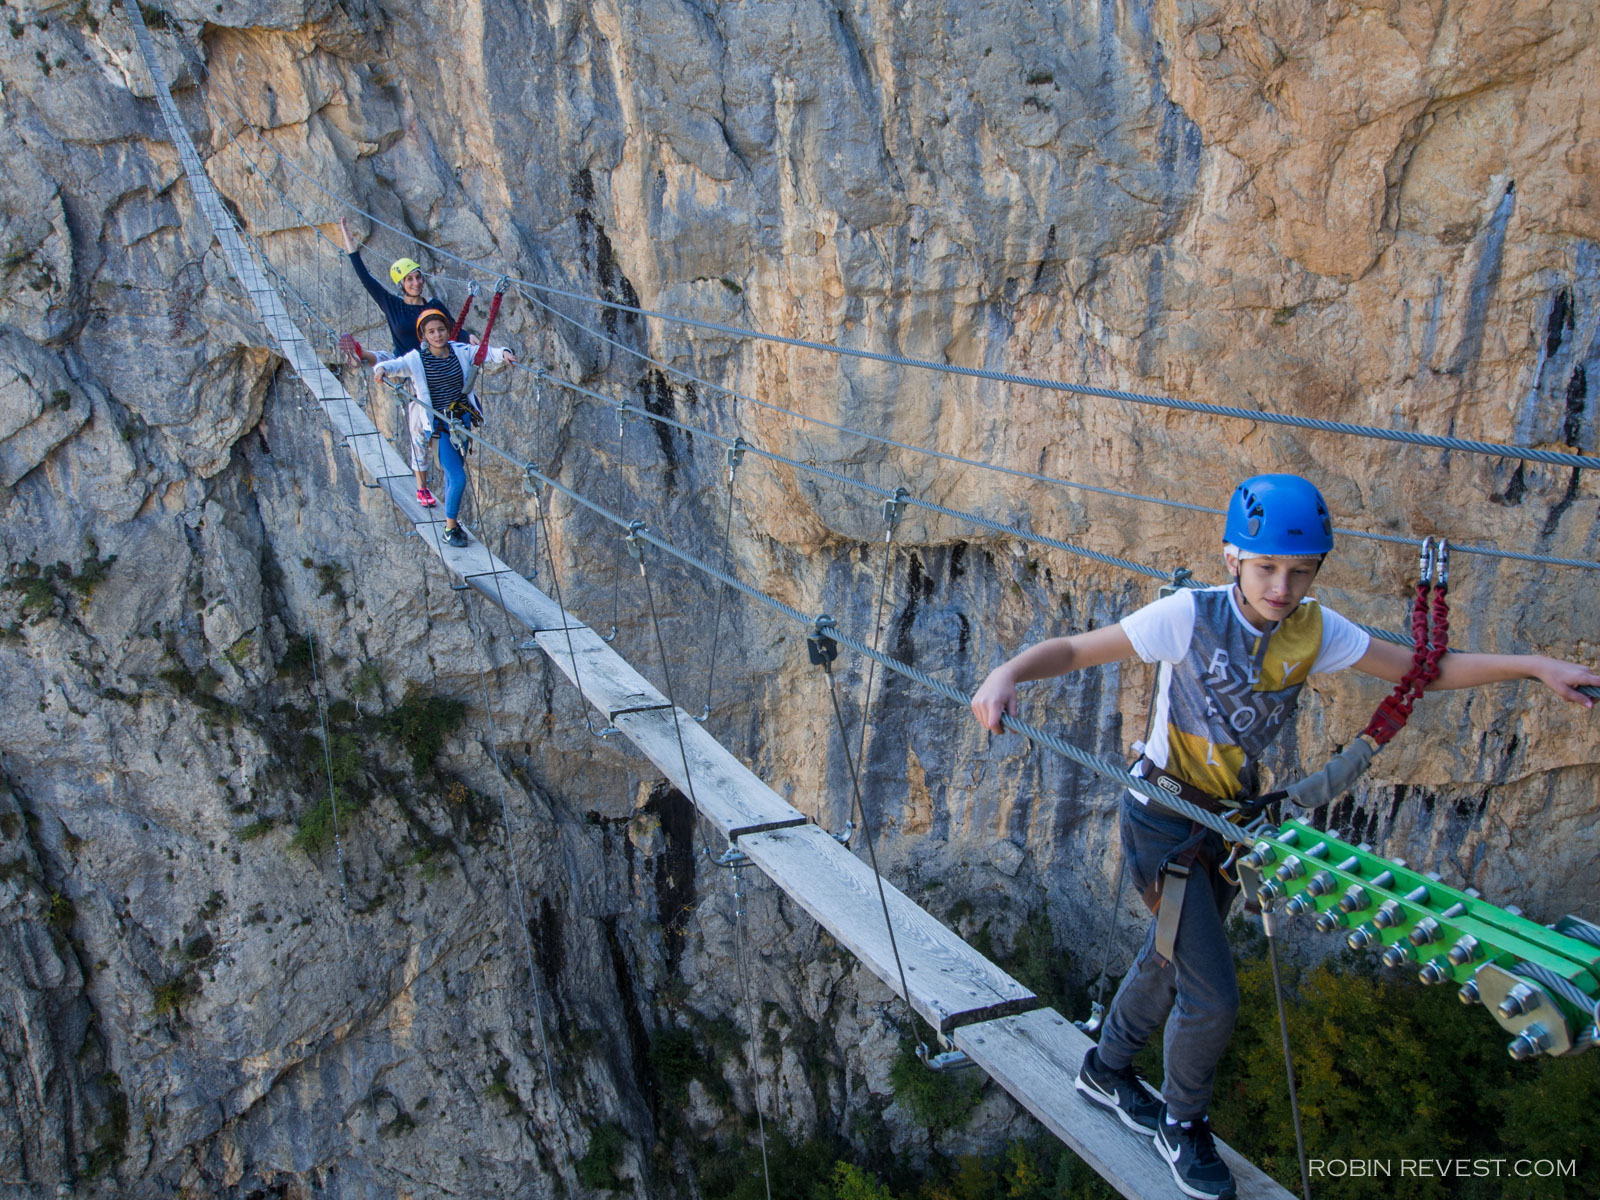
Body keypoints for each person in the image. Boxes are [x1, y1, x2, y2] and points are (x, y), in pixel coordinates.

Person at [968, 474, 1598, 1200]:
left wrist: (1534, 667)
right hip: (1164, 816)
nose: (1281, 586)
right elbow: (1080, 650)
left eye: (1300, 571)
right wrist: (1007, 671)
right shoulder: (1189, 616)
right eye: (1267, 567)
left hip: (1232, 823)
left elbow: (1424, 670)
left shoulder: (1316, 630)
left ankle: (1106, 1069)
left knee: (1171, 959)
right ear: (1232, 556)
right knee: (1215, 997)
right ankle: (1182, 1123)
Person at [373, 308, 514, 547]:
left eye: (441, 330)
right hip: (440, 428)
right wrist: (381, 368)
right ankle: (449, 529)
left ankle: (453, 523)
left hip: (463, 423)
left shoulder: (459, 351)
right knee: (458, 478)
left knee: (453, 476)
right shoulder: (416, 359)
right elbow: (395, 365)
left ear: (448, 331)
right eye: (431, 332)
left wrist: (506, 353)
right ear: (423, 336)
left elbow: (485, 353)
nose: (437, 335)